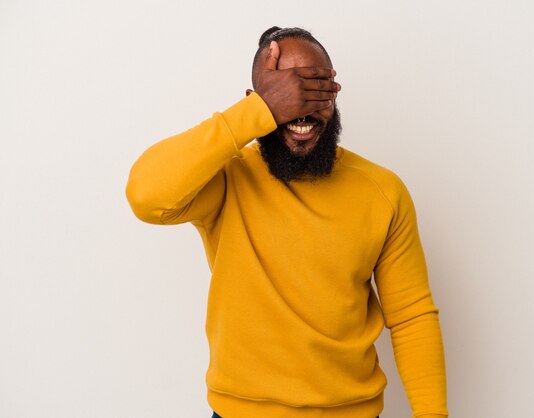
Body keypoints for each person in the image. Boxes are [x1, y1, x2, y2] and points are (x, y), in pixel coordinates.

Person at [126, 26, 448, 418]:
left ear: (334, 92)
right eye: (286, 93)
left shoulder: (382, 191)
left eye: (314, 89)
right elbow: (146, 196)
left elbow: (411, 316)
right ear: (256, 101)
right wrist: (258, 113)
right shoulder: (226, 180)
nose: (301, 109)